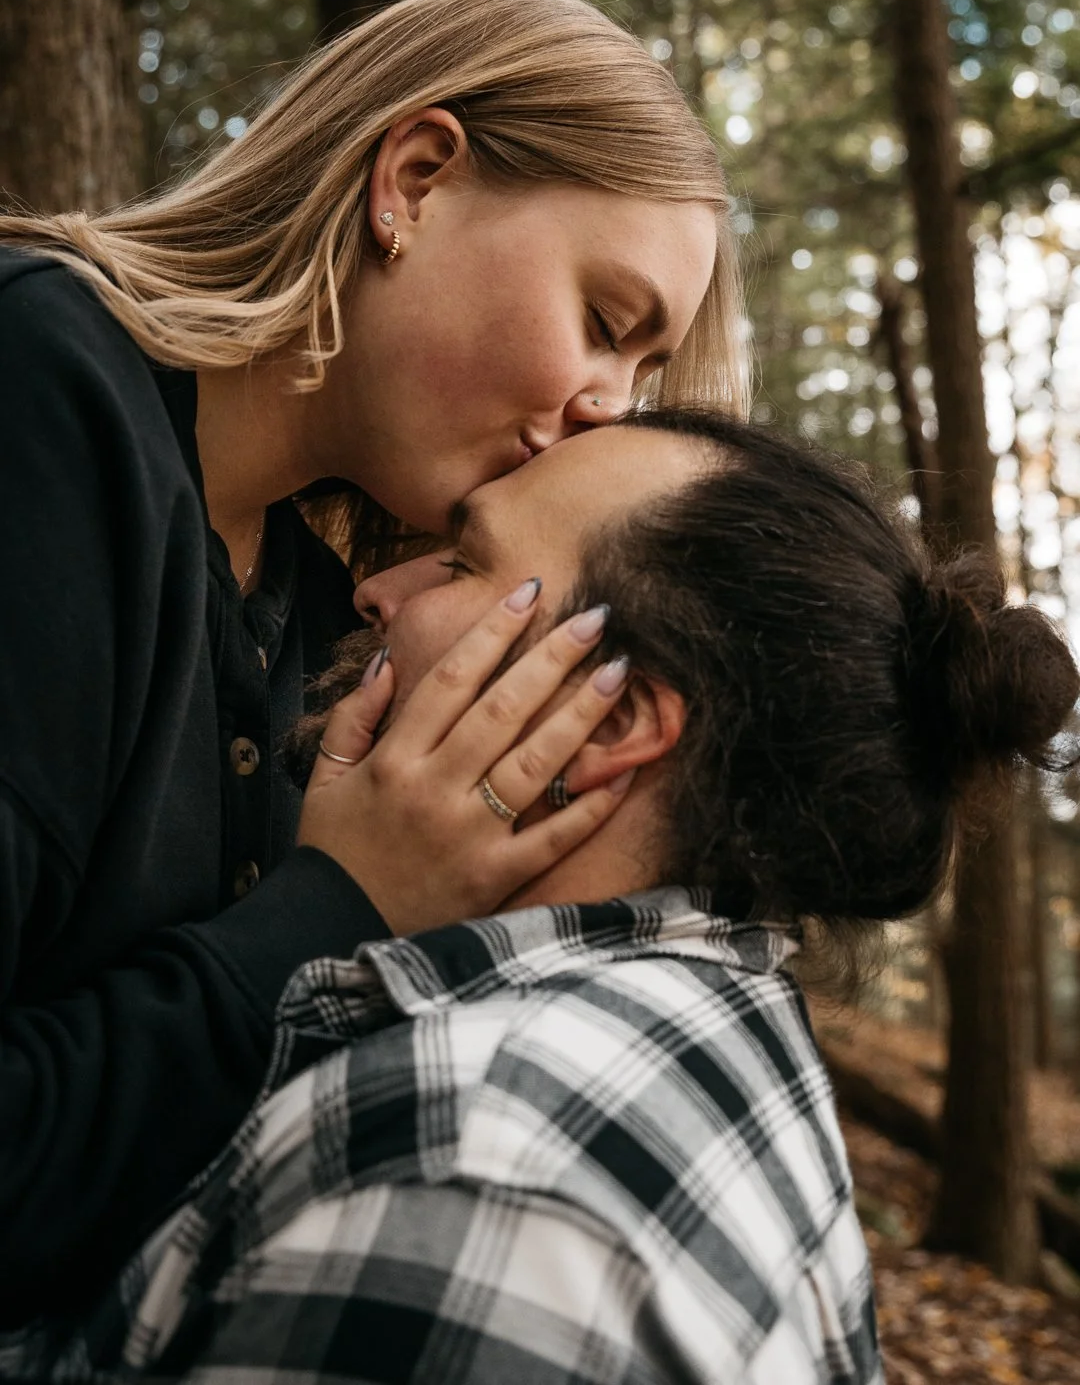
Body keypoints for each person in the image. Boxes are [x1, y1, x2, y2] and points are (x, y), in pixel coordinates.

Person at [9, 410, 1075, 1383]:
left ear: (609, 725)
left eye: (465, 564)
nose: (381, 591)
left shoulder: (476, 1181)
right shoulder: (706, 1026)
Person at [0, 0, 744, 1325]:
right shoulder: (39, 399)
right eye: (605, 319)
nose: (604, 412)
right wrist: (337, 910)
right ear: (413, 180)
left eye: (643, 372)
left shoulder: (311, 598)